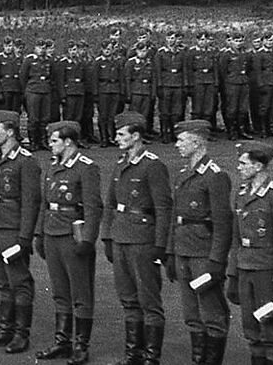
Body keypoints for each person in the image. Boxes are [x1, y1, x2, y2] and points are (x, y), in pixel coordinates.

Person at [101, 111, 173, 365]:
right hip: (121, 237)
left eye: (122, 134)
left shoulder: (153, 166)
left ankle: (152, 358)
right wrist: (107, 237)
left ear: (136, 136)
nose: (116, 138)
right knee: (128, 299)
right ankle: (134, 355)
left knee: (149, 301)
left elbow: (164, 209)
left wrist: (161, 245)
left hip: (143, 240)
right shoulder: (121, 164)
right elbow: (110, 204)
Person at [32, 120, 102, 364]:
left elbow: (94, 207)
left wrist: (89, 240)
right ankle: (62, 342)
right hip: (52, 233)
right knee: (60, 291)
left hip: (73, 236)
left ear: (68, 142)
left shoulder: (86, 167)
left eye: (54, 141)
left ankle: (81, 345)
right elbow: (44, 203)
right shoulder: (53, 166)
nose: (50, 145)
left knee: (80, 292)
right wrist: (39, 233)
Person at [226, 142, 273, 365]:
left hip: (267, 275)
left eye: (243, 163)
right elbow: (236, 240)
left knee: (272, 333)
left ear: (258, 166)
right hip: (245, 270)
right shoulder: (241, 195)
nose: (238, 168)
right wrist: (232, 275)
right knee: (252, 332)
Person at [168, 120, 234, 365]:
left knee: (212, 313)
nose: (177, 145)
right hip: (183, 249)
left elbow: (222, 222)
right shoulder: (184, 174)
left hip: (203, 253)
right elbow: (175, 216)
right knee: (191, 313)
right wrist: (169, 252)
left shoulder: (215, 177)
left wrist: (217, 260)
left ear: (196, 142)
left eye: (182, 140)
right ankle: (199, 359)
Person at [0, 110, 40, 354]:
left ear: (11, 131)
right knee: (2, 283)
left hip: (12, 230)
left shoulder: (26, 161)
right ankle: (5, 330)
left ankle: (21, 334)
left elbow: (30, 202)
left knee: (19, 282)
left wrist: (25, 237)